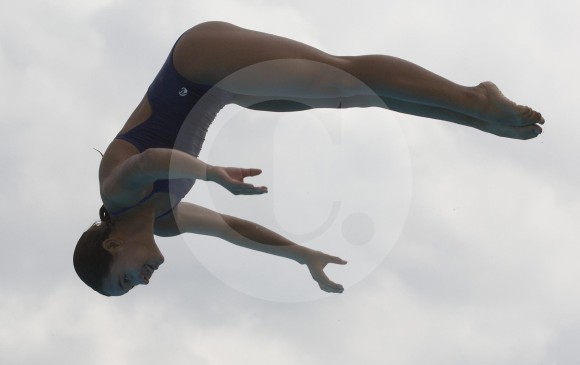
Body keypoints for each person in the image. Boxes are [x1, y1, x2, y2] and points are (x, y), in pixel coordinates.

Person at [73, 21, 544, 297]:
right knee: (351, 96)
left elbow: (152, 161)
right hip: (222, 91)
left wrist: (212, 174)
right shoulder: (166, 222)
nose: (144, 283)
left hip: (197, 62)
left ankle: (478, 101)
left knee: (338, 79)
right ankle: (477, 115)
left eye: (127, 281)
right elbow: (234, 231)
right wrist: (301, 256)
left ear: (112, 248)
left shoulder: (117, 192)